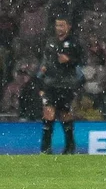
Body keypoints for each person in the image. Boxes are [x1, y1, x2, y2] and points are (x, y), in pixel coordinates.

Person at [37, 16, 84, 155]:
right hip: (50, 84)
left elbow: (81, 62)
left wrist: (69, 60)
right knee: (48, 113)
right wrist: (43, 70)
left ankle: (70, 147)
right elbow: (45, 60)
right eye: (57, 25)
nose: (59, 28)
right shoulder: (50, 42)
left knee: (65, 114)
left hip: (66, 85)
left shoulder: (74, 43)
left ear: (68, 26)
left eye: (62, 25)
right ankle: (45, 149)